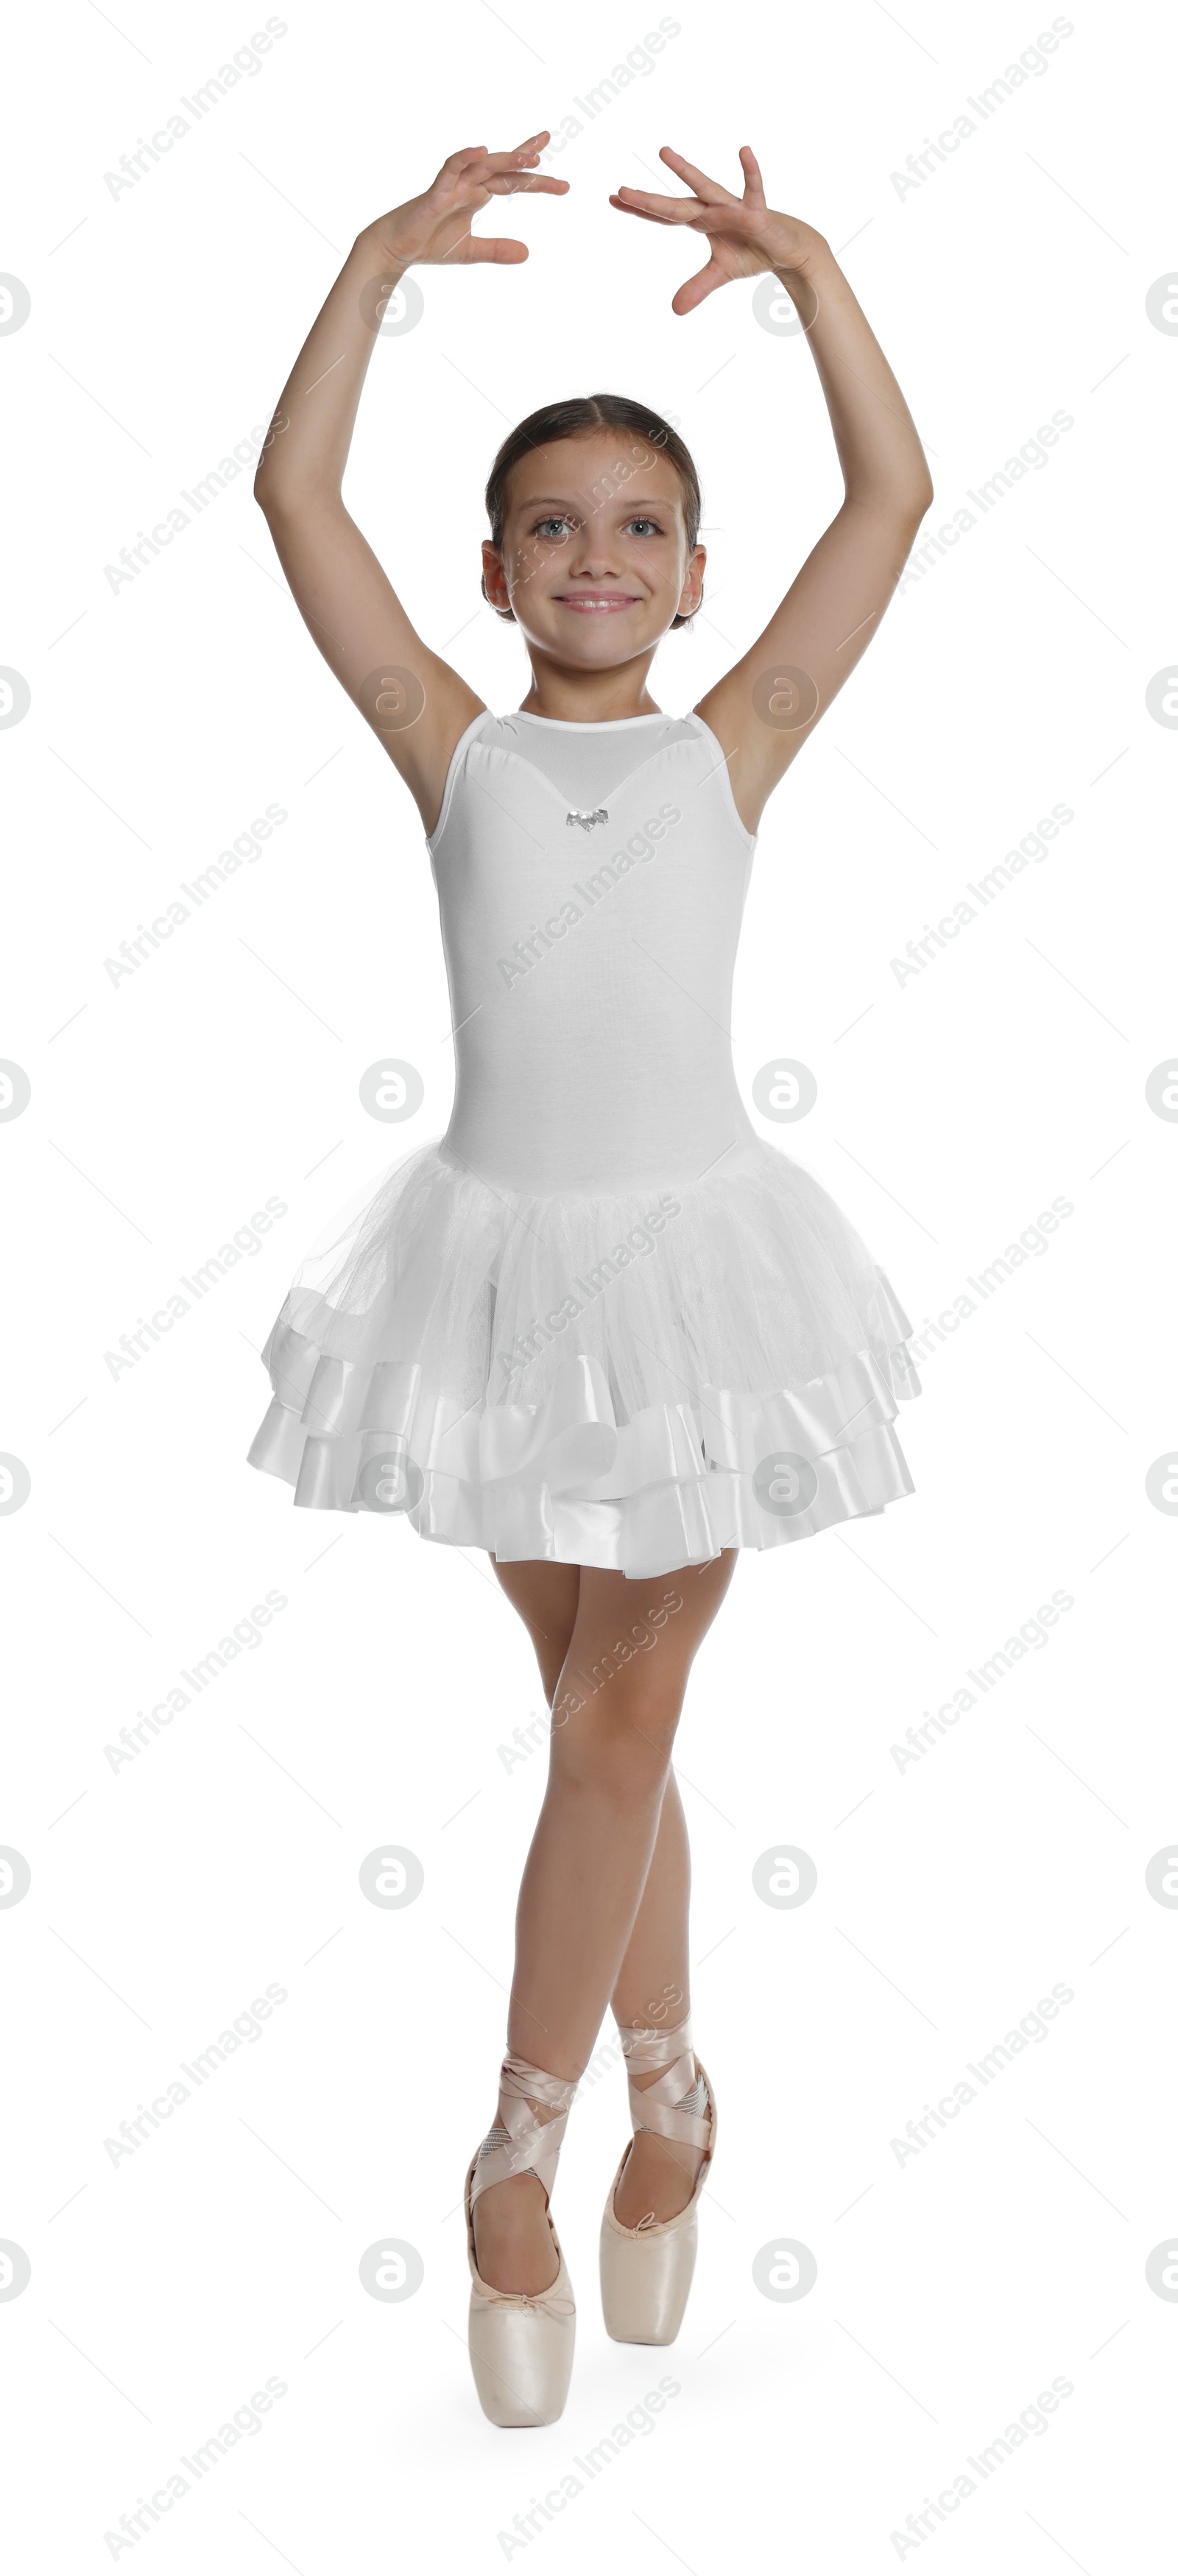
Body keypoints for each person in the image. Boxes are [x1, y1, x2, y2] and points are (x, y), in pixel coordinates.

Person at [247, 133, 931, 2425]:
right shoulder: (453, 749)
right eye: (558, 524)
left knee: (620, 1713)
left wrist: (810, 273)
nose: (602, 555)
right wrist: (370, 265)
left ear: (697, 572)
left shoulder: (740, 745)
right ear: (498, 566)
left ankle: (514, 2162)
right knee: (596, 1736)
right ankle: (683, 2098)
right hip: (504, 1284)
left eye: (644, 526)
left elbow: (896, 507)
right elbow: (289, 508)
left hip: (706, 1279)